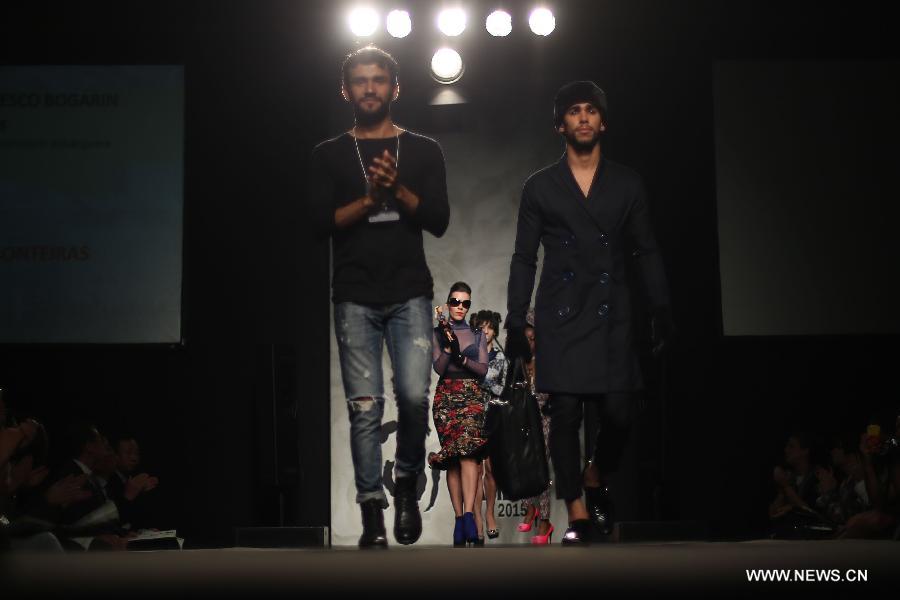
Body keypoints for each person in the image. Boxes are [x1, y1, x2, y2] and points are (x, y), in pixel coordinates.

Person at [505, 81, 672, 544]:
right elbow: (524, 257)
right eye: (573, 111)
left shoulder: (627, 183)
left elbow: (645, 250)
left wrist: (660, 305)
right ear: (560, 124)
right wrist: (516, 318)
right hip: (560, 313)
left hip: (613, 311)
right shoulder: (540, 186)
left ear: (603, 121)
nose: (583, 118)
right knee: (565, 413)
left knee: (620, 412)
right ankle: (577, 514)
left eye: (591, 111)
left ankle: (596, 473)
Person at [307, 46, 450, 547]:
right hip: (354, 297)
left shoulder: (424, 149)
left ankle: (406, 482)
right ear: (346, 90)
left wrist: (398, 191)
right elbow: (316, 223)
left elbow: (438, 219)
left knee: (413, 399)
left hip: (409, 293)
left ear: (395, 87)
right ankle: (371, 510)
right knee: (365, 409)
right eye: (360, 81)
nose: (370, 88)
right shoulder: (328, 153)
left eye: (378, 80)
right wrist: (370, 199)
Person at [429, 282, 489, 546]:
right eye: (455, 301)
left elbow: (483, 369)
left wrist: (462, 359)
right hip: (446, 399)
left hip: (472, 398)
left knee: (469, 457)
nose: (460, 307)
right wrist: (447, 346)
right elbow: (439, 368)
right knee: (453, 459)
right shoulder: (437, 332)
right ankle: (458, 520)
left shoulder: (477, 334)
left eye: (465, 303)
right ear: (448, 302)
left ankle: (468, 517)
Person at [472, 310, 504, 541]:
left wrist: (483, 384)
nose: (485, 331)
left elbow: (503, 390)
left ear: (494, 330)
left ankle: (490, 513)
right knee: (475, 471)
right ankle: (477, 519)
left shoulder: (502, 358)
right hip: (471, 416)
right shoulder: (469, 354)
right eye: (481, 327)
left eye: (489, 327)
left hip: (493, 417)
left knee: (491, 470)